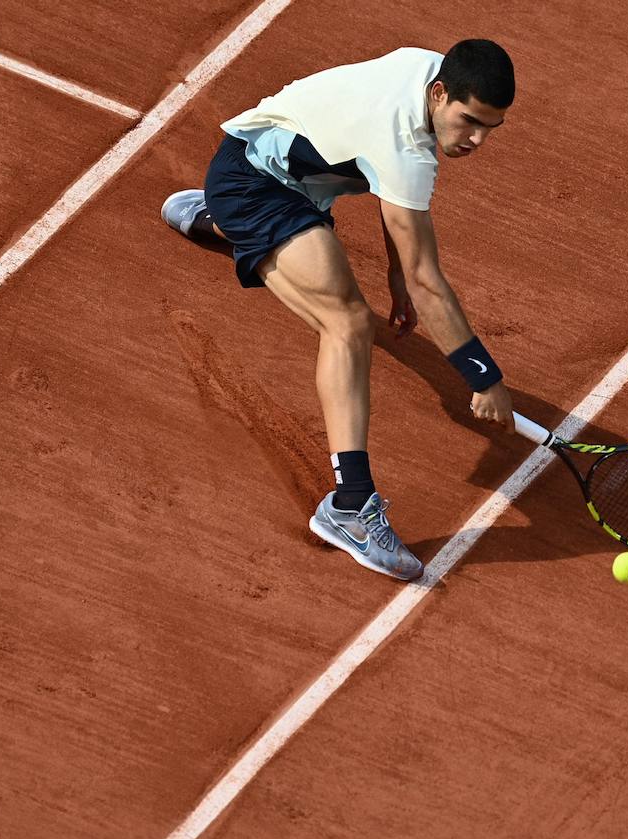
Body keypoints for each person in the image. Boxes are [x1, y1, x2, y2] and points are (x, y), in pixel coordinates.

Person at [160, 40, 516, 582]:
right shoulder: (405, 148)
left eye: (491, 128)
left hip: (289, 173)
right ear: (440, 93)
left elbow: (384, 186)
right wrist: (483, 376)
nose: (476, 140)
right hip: (258, 183)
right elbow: (428, 280)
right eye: (469, 121)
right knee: (347, 322)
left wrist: (395, 273)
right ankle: (349, 507)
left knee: (331, 269)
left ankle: (220, 222)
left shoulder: (424, 72)